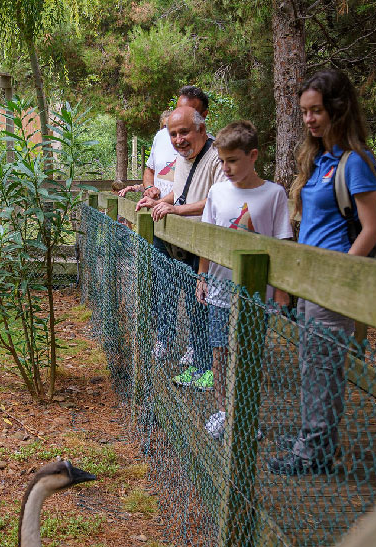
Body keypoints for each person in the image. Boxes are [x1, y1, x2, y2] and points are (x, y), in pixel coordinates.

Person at [265, 68, 376, 475]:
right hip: (310, 280)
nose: (310, 120)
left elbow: (372, 228)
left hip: (333, 283)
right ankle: (314, 444)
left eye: (317, 111)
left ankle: (313, 454)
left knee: (321, 368)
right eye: (304, 112)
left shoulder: (355, 164)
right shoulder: (319, 160)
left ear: (338, 109)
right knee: (314, 365)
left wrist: (341, 275)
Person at [166, 121, 292, 440]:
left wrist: (281, 292)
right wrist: (202, 276)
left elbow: (282, 246)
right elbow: (208, 239)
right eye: (222, 161)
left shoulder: (274, 194)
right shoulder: (218, 192)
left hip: (255, 295)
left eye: (233, 161)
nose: (226, 168)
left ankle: (246, 414)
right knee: (220, 352)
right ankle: (223, 410)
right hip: (220, 290)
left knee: (248, 354)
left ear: (253, 156)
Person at [135, 105, 226, 371]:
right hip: (184, 243)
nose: (178, 140)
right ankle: (200, 365)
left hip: (208, 247)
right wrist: (158, 202)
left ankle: (209, 369)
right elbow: (179, 191)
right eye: (173, 134)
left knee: (204, 308)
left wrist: (175, 209)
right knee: (191, 303)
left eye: (184, 132)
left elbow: (218, 200)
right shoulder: (184, 158)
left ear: (201, 128)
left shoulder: (217, 156)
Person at [119, 85, 211, 201]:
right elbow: (150, 170)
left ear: (203, 116)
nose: (179, 140)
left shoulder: (212, 150)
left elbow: (207, 197)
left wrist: (162, 205)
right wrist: (149, 188)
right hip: (157, 215)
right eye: (178, 111)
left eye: (189, 113)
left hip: (185, 217)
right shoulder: (161, 136)